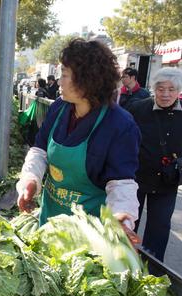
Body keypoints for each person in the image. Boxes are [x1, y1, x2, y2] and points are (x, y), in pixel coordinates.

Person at [15, 38, 141, 231]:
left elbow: (121, 184)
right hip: (49, 221)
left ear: (87, 80)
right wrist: (31, 180)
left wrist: (122, 220)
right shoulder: (59, 107)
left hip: (88, 233)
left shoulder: (119, 124)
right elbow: (39, 150)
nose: (59, 81)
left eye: (64, 75)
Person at [127, 68, 182, 261]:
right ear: (154, 89)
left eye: (171, 89)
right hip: (137, 177)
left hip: (167, 179)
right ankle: (124, 265)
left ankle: (153, 271)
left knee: (160, 226)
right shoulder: (138, 108)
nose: (165, 94)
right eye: (161, 89)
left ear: (179, 90)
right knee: (129, 223)